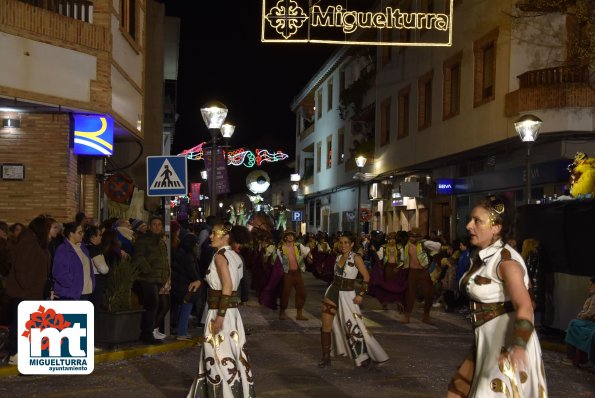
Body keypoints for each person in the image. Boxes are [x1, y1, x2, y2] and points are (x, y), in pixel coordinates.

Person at [447, 195, 547, 398]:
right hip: (485, 342)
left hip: (507, 346)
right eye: (470, 219)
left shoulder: (506, 261)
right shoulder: (485, 256)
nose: (468, 226)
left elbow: (526, 306)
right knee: (457, 391)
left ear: (496, 227)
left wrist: (518, 348)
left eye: (477, 221)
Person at [186, 224, 255, 397]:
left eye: (214, 234)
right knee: (232, 356)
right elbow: (226, 282)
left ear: (225, 237)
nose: (210, 237)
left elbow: (227, 286)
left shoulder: (219, 256)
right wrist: (202, 282)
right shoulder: (235, 255)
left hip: (220, 312)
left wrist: (219, 317)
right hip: (232, 314)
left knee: (217, 358)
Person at [318, 231, 389, 368]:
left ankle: (364, 357)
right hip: (332, 293)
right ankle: (326, 358)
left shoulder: (356, 258)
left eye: (346, 243)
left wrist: (361, 294)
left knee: (354, 326)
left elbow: (366, 277)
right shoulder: (337, 257)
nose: (343, 245)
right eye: (341, 242)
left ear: (351, 245)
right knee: (326, 326)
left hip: (348, 295)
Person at [5, 215, 52, 365]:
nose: (53, 232)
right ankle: (14, 353)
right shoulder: (28, 242)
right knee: (20, 323)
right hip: (24, 293)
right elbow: (21, 268)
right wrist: (28, 287)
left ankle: (22, 351)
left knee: (26, 324)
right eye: (50, 229)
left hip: (31, 292)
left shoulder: (36, 242)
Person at [133, 216, 170, 344]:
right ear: (149, 226)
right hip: (147, 278)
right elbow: (138, 257)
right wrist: (147, 270)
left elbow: (164, 260)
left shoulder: (161, 241)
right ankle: (147, 334)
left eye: (159, 224)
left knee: (157, 305)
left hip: (158, 279)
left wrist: (166, 276)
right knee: (152, 305)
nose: (157, 227)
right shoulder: (144, 239)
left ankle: (148, 332)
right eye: (154, 224)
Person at [402, 227, 441, 324]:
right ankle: (407, 315)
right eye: (411, 236)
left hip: (424, 271)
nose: (412, 238)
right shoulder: (407, 246)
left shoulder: (424, 244)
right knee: (410, 294)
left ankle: (426, 316)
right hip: (412, 272)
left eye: (414, 236)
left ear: (419, 237)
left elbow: (438, 247)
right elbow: (403, 259)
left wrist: (426, 243)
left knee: (429, 294)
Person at [52, 222, 95, 300]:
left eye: (83, 232)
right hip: (70, 294)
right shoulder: (63, 250)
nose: (82, 234)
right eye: (79, 232)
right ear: (71, 234)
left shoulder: (83, 248)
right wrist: (71, 284)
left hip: (85, 292)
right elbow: (58, 272)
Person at [277, 229, 312, 321]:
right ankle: (282, 312)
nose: (290, 237)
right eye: (288, 235)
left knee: (302, 292)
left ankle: (299, 314)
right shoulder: (280, 248)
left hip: (297, 273)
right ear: (285, 237)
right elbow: (277, 262)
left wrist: (309, 257)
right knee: (285, 293)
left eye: (292, 235)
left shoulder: (299, 246)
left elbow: (307, 252)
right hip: (287, 273)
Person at [564, 276, 595, 367]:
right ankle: (575, 356)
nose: (589, 287)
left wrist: (580, 316)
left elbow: (589, 313)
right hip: (588, 320)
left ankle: (575, 356)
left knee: (573, 324)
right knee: (573, 324)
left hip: (589, 322)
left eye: (591, 284)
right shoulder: (592, 296)